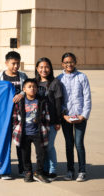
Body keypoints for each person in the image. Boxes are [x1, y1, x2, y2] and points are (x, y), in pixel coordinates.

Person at [57, 52, 92, 182]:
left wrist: (83, 116)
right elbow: (58, 100)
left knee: (79, 143)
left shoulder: (82, 77)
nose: (69, 64)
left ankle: (82, 171)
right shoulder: (59, 78)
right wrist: (63, 115)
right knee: (68, 144)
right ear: (62, 64)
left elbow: (87, 98)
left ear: (75, 62)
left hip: (80, 117)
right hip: (66, 117)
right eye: (66, 62)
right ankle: (70, 170)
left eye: (71, 62)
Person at [0, 51, 27, 179]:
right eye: (13, 63)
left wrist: (22, 94)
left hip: (19, 115)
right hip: (3, 116)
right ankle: (4, 170)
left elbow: (29, 88)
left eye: (18, 63)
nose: (15, 66)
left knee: (21, 143)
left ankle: (22, 169)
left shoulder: (23, 76)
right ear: (6, 63)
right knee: (4, 143)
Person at [12, 79, 50, 183]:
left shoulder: (41, 101)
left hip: (39, 133)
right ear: (24, 89)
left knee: (41, 154)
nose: (32, 89)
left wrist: (46, 128)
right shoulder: (20, 102)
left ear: (37, 89)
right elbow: (15, 116)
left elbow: (46, 115)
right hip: (24, 133)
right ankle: (28, 172)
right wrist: (15, 128)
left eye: (34, 87)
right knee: (25, 154)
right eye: (29, 87)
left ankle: (38, 172)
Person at [35, 57, 63, 181]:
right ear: (37, 69)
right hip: (39, 122)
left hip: (51, 121)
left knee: (50, 146)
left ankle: (52, 170)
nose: (44, 69)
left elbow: (58, 103)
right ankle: (44, 169)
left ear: (50, 68)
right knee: (42, 146)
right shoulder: (34, 83)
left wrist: (57, 121)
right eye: (41, 67)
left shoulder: (55, 82)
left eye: (46, 67)